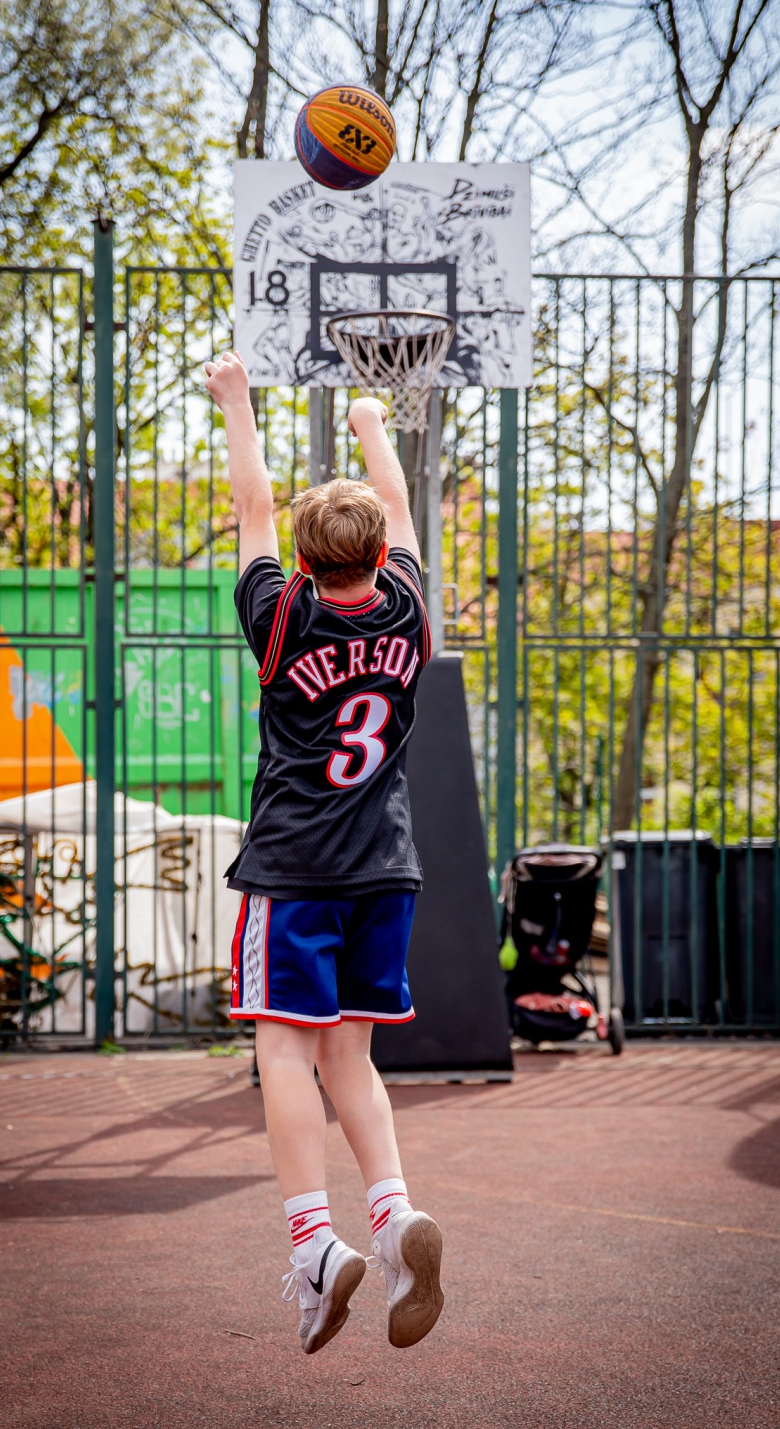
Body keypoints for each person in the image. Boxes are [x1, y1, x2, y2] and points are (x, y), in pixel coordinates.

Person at [203, 349, 444, 1356]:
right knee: (352, 1053)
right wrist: (371, 424)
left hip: (295, 867)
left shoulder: (281, 616)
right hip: (385, 867)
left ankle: (315, 1245)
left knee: (283, 1052)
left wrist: (236, 399)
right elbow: (398, 502)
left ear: (301, 563)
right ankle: (392, 1216)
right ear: (383, 551)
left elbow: (253, 505)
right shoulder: (410, 610)